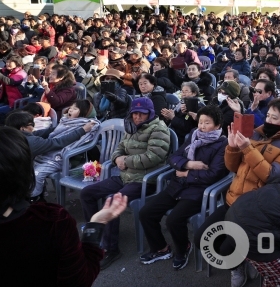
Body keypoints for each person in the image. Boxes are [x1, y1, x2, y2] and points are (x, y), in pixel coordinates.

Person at [0, 126, 128, 286]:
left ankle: (112, 248)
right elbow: (80, 279)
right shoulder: (52, 221)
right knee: (88, 194)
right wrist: (95, 226)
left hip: (131, 177)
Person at [192, 98, 280, 287]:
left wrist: (246, 147)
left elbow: (271, 176)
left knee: (227, 247)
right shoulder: (255, 135)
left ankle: (243, 263)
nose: (268, 120)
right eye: (267, 115)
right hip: (233, 200)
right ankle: (242, 262)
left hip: (255, 210)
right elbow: (233, 167)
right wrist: (233, 147)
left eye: (274, 118)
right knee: (202, 238)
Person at [80, 97, 170, 270]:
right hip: (126, 176)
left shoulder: (159, 129)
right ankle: (97, 233)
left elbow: (154, 156)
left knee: (114, 200)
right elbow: (119, 148)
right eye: (134, 113)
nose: (137, 117)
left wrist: (126, 161)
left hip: (145, 180)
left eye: (141, 114)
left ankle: (111, 249)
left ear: (150, 113)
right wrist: (117, 158)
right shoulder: (131, 126)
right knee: (87, 193)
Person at [139, 105, 229, 271]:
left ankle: (183, 248)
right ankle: (161, 248)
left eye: (207, 123)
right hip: (177, 186)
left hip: (198, 192)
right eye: (200, 122)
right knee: (146, 212)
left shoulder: (222, 145)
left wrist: (187, 174)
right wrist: (189, 164)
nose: (202, 126)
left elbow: (214, 174)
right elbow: (173, 158)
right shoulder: (193, 136)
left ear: (217, 125)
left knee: (174, 220)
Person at [5, 109, 97, 202]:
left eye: (74, 108)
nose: (33, 126)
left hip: (9, 174)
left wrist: (63, 127)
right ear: (22, 128)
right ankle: (33, 199)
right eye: (31, 124)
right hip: (12, 176)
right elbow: (58, 142)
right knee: (36, 173)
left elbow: (40, 133)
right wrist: (82, 130)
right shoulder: (31, 142)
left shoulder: (10, 135)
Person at [160, 81, 204, 146]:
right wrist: (168, 117)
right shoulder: (180, 104)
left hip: (183, 137)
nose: (183, 94)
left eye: (186, 91)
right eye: (182, 91)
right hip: (173, 131)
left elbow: (187, 127)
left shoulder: (196, 106)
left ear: (194, 93)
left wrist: (173, 118)